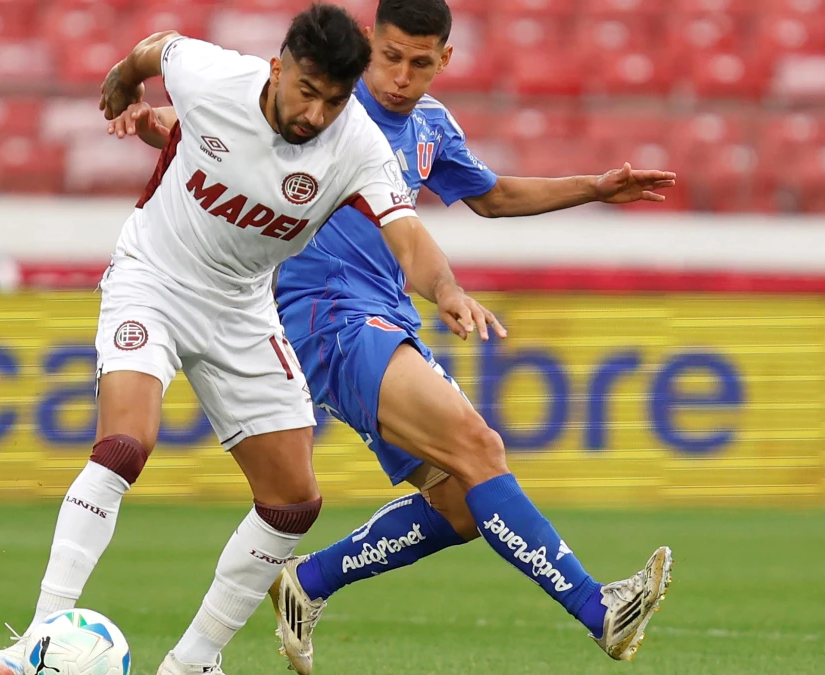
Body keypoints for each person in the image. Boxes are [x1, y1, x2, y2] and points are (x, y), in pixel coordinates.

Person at [112, 0, 678, 670]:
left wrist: (594, 186)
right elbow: (221, 125)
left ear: (445, 61)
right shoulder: (327, 113)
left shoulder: (432, 128)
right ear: (367, 45)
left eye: (419, 62)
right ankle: (598, 608)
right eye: (389, 57)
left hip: (383, 316)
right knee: (479, 446)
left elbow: (491, 196)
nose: (400, 77)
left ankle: (307, 581)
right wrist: (157, 123)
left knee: (461, 505)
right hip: (327, 317)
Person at [0, 5, 504, 675]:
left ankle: (193, 661)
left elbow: (410, 237)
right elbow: (156, 48)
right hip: (155, 279)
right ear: (279, 68)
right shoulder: (215, 75)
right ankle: (39, 639)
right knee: (125, 443)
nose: (315, 114)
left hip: (244, 308)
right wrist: (121, 79)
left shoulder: (359, 143)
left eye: (334, 100)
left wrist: (449, 289)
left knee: (293, 500)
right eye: (306, 92)